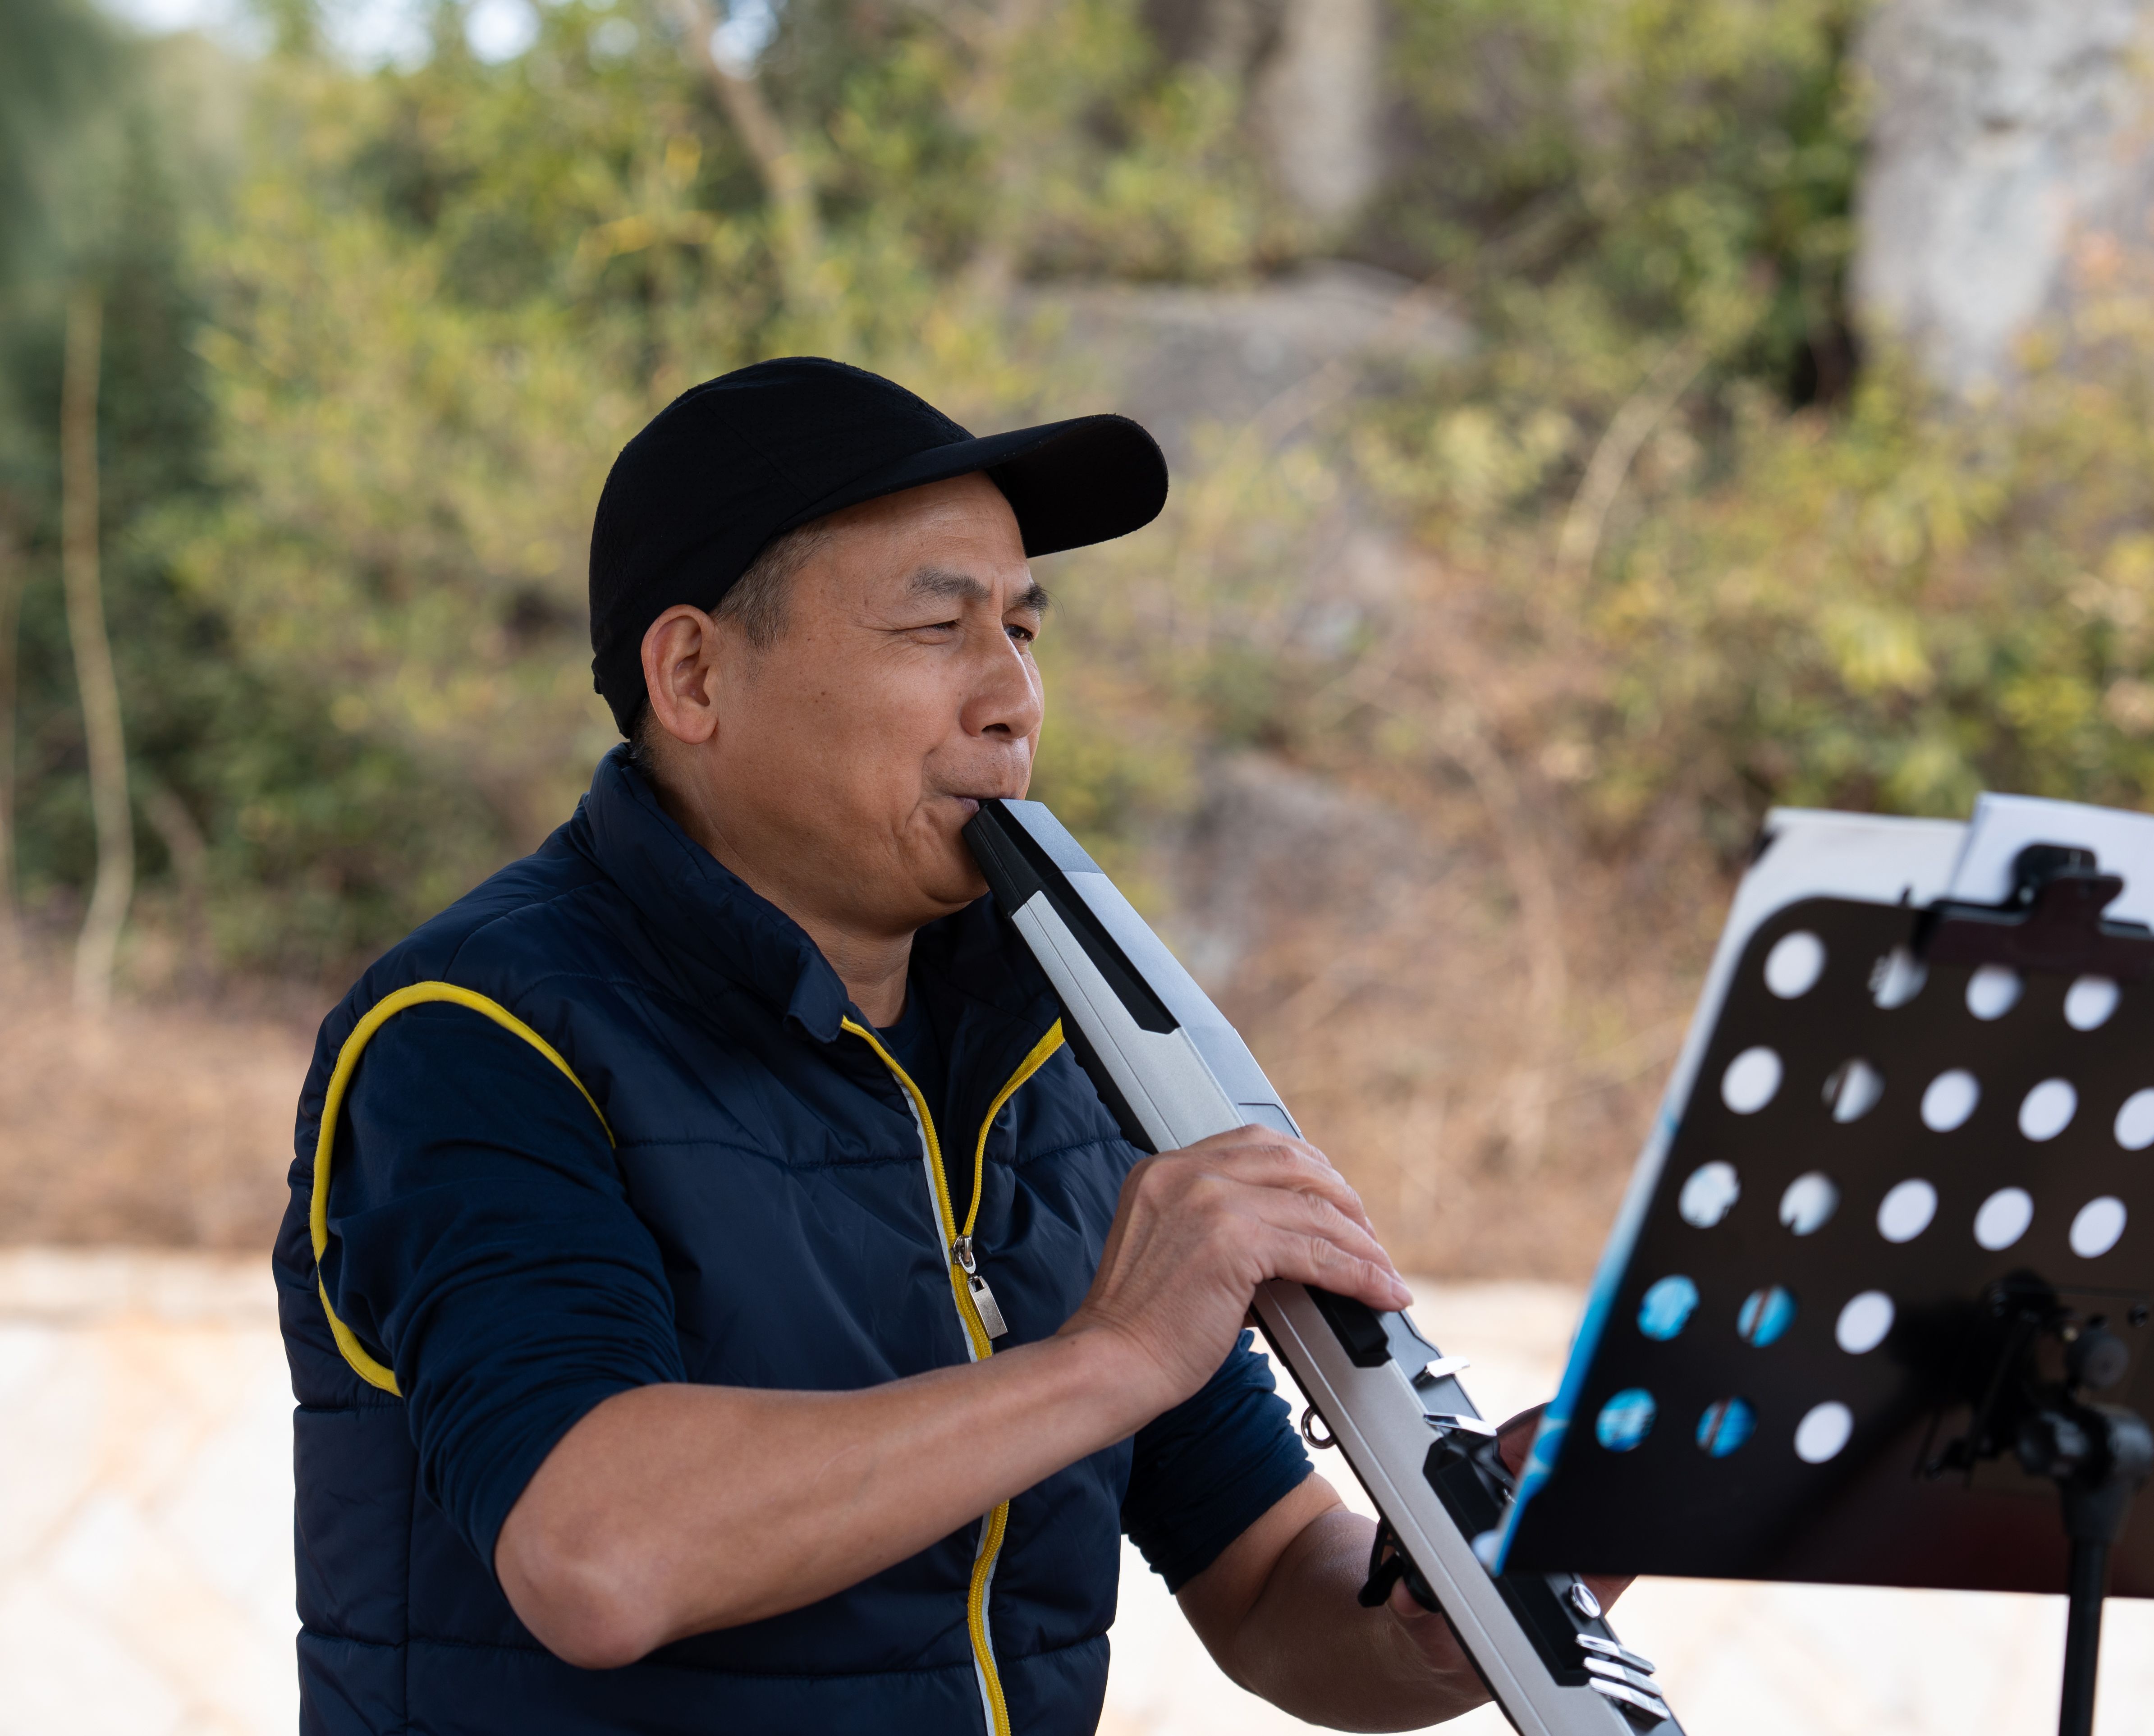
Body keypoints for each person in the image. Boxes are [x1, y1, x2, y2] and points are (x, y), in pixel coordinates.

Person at [275, 357, 1612, 1734]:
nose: (1011, 698)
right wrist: (1106, 1355)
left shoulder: (1067, 1056)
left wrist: (1456, 1602)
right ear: (693, 675)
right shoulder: (475, 1034)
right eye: (938, 629)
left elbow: (1269, 1576)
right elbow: (600, 1553)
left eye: (1025, 632)